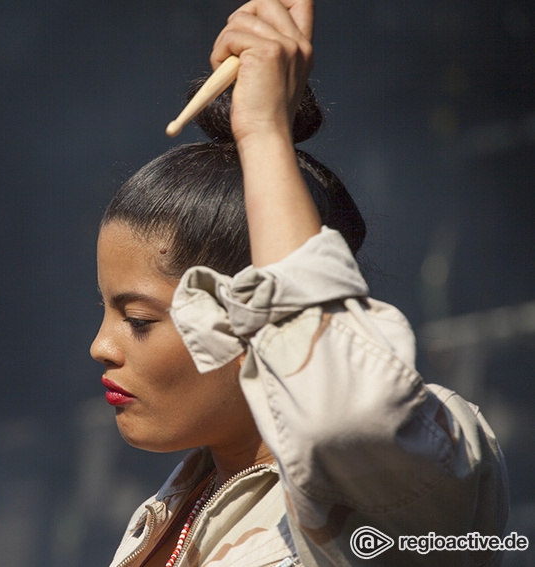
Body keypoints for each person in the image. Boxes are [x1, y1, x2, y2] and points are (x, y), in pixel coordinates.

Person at [89, 1, 509, 565]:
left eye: (139, 319)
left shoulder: (416, 467)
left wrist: (264, 132)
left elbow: (339, 419)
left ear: (253, 320)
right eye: (108, 312)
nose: (101, 345)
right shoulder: (180, 503)